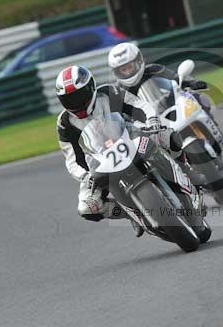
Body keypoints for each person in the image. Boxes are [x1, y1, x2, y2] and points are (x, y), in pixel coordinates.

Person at [55, 64, 195, 237]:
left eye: (79, 96)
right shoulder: (64, 122)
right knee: (87, 208)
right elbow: (71, 159)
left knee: (168, 136)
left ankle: (186, 170)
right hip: (99, 163)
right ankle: (130, 214)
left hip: (130, 137)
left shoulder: (108, 93)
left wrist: (152, 122)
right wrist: (85, 175)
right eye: (69, 100)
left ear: (90, 88)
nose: (75, 103)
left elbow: (139, 105)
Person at [106, 42, 223, 146]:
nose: (128, 72)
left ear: (138, 61)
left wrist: (191, 82)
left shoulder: (153, 70)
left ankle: (220, 137)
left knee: (198, 98)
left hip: (169, 105)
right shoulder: (119, 90)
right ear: (117, 72)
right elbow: (117, 114)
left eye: (130, 67)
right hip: (148, 124)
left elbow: (175, 78)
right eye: (123, 69)